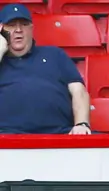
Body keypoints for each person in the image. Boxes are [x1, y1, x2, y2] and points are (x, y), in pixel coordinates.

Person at [0, 4, 91, 134]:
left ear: (32, 28)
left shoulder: (55, 54)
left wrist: (81, 124)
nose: (18, 29)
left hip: (59, 135)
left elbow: (78, 90)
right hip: (7, 139)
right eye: (11, 25)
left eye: (24, 24)